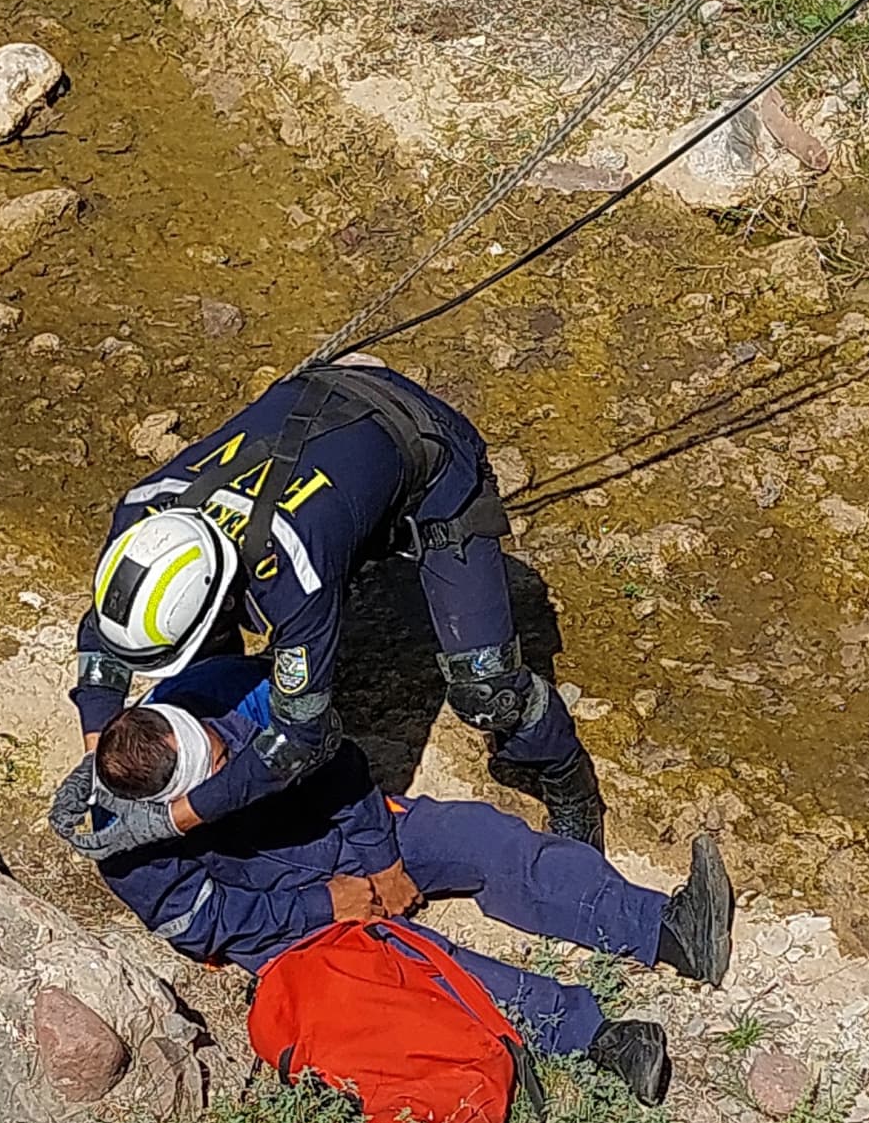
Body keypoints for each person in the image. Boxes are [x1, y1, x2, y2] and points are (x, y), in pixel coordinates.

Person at [77, 657, 734, 1106]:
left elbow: (334, 760)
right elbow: (212, 925)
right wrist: (324, 904)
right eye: (214, 775)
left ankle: (668, 929)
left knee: (482, 838)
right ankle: (596, 1040)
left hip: (339, 830)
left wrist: (378, 859)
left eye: (220, 750)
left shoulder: (219, 692)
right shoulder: (125, 846)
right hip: (278, 922)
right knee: (422, 963)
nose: (231, 763)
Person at [54, 356, 605, 864]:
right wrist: (100, 757)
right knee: (207, 668)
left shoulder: (292, 572)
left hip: (424, 445)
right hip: (315, 426)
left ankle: (567, 775)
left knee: (489, 690)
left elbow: (303, 737)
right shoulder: (140, 520)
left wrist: (174, 819)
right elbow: (103, 637)